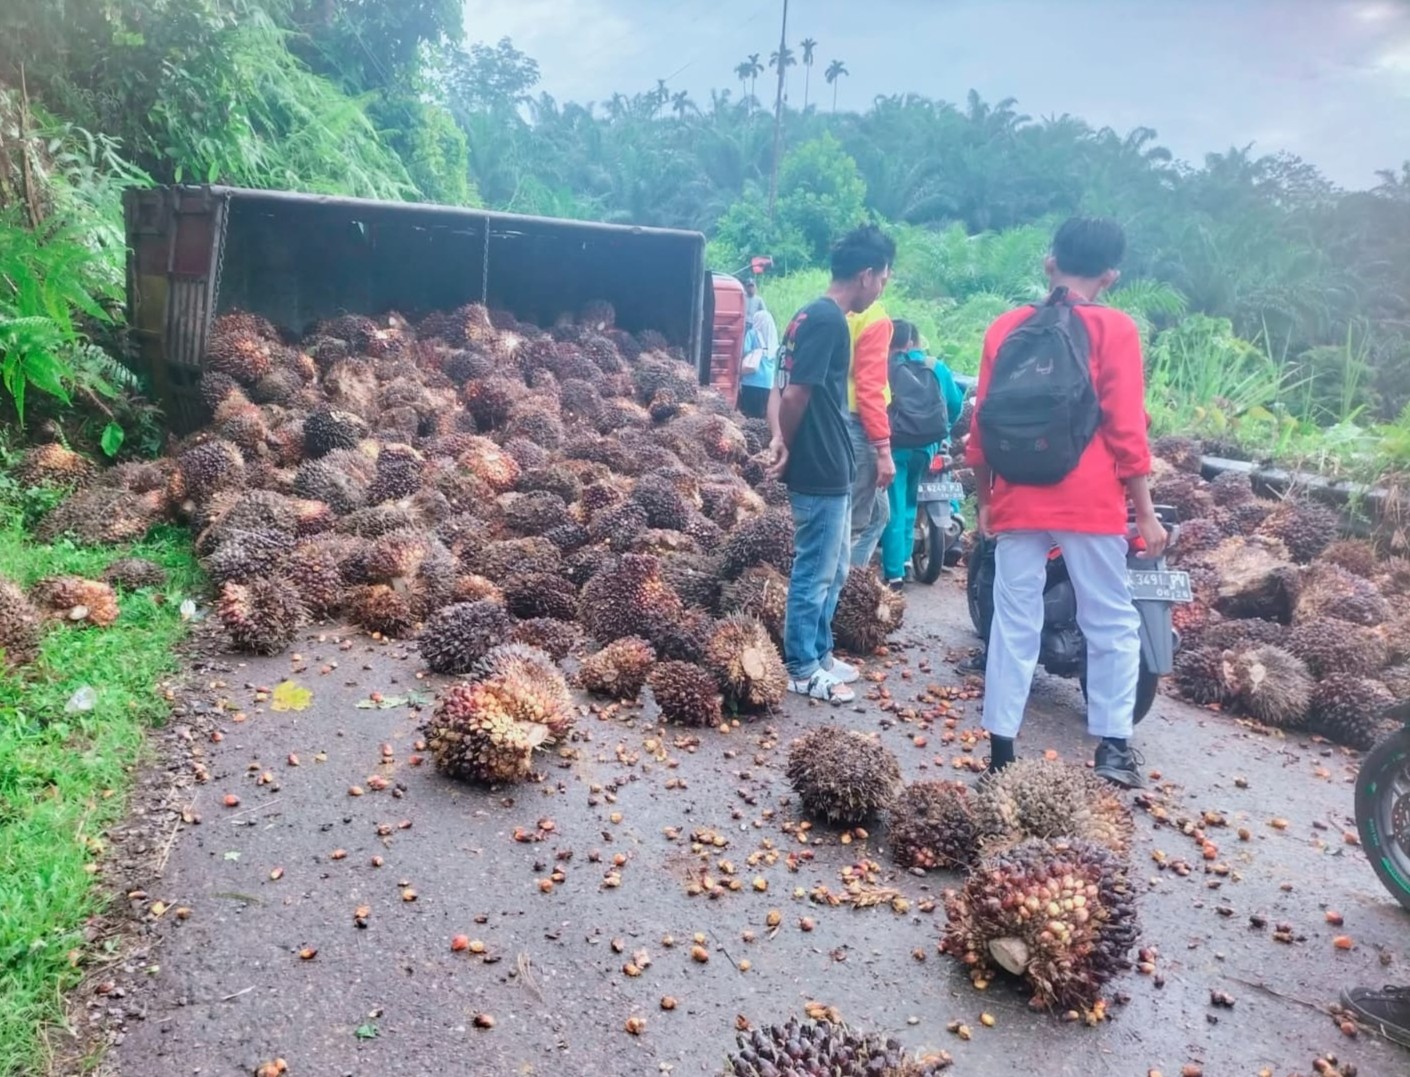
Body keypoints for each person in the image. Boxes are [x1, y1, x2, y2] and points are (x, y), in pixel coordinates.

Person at [966, 216, 1166, 789]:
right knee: (1109, 619)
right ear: (1111, 274)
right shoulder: (1116, 330)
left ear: (1050, 262)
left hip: (1018, 496)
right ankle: (1112, 748)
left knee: (1013, 621)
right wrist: (1145, 511)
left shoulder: (1006, 327)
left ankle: (1002, 750)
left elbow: (981, 425)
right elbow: (1127, 427)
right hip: (1091, 497)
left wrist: (985, 498)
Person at [767, 224, 896, 704]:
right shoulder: (827, 321)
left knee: (837, 567)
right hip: (819, 466)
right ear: (866, 274)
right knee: (814, 570)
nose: (882, 287)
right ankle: (800, 666)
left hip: (833, 463)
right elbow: (796, 392)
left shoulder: (804, 316)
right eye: (883, 278)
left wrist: (778, 436)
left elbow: (778, 386)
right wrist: (788, 443)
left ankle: (820, 653)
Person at [878, 320, 965, 589]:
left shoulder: (886, 367)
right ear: (914, 340)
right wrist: (943, 430)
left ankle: (895, 573)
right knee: (911, 502)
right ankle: (905, 560)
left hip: (895, 446)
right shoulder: (936, 366)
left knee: (894, 505)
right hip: (927, 448)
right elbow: (954, 405)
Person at [845, 296, 895, 568]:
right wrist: (883, 449)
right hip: (861, 426)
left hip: (839, 420)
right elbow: (870, 387)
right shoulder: (874, 317)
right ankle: (845, 589)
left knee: (878, 515)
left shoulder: (835, 313)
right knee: (854, 523)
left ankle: (852, 580)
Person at [738, 306, 779, 419]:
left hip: (751, 380)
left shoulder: (752, 333)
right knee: (762, 415)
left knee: (749, 415)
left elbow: (745, 350)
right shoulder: (773, 338)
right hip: (767, 383)